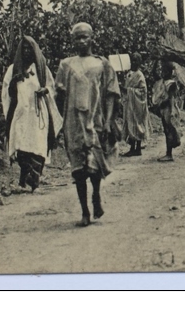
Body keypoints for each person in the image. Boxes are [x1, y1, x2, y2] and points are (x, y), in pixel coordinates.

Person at [54, 22, 121, 227]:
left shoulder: (102, 64)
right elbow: (59, 94)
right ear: (72, 41)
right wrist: (62, 121)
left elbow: (111, 95)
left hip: (95, 120)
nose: (81, 41)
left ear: (92, 38)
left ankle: (96, 196)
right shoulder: (66, 65)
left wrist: (109, 121)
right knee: (78, 169)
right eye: (77, 38)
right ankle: (84, 211)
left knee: (94, 166)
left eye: (84, 37)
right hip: (73, 123)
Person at [1, 36, 63, 192]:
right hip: (20, 114)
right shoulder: (13, 69)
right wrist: (14, 85)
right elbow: (6, 91)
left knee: (38, 145)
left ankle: (33, 180)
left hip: (37, 114)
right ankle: (23, 179)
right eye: (24, 49)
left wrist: (45, 90)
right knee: (20, 145)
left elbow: (51, 86)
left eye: (30, 49)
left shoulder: (41, 70)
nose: (27, 52)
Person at [150, 61, 182, 162]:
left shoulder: (171, 84)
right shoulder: (162, 81)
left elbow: (171, 98)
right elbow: (154, 74)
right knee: (166, 129)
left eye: (165, 71)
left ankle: (169, 154)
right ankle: (169, 151)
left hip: (169, 109)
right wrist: (155, 62)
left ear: (169, 72)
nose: (163, 72)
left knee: (169, 130)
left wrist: (172, 110)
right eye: (162, 70)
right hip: (164, 109)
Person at [121, 53, 149, 157]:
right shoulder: (129, 74)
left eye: (136, 61)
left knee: (137, 124)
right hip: (130, 105)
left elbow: (143, 91)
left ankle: (138, 148)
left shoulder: (140, 75)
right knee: (130, 124)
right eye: (132, 60)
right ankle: (132, 147)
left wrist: (128, 91)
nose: (133, 63)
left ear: (139, 63)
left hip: (138, 106)